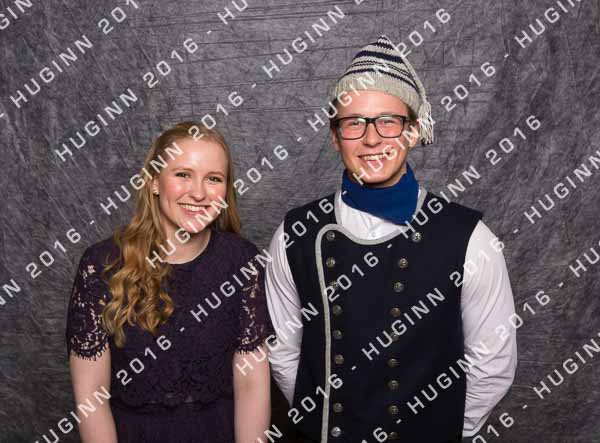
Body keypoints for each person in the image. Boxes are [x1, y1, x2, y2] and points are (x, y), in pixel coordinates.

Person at [265, 36, 518, 442]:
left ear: (414, 130)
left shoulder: (470, 238)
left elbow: (493, 362)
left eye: (388, 121)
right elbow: (283, 352)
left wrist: (440, 430)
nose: (372, 139)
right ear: (334, 136)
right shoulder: (295, 233)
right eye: (354, 123)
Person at [66, 121, 275, 442]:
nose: (199, 193)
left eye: (214, 179)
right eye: (183, 175)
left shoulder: (242, 261)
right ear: (154, 182)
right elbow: (91, 397)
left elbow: (251, 385)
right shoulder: (102, 266)